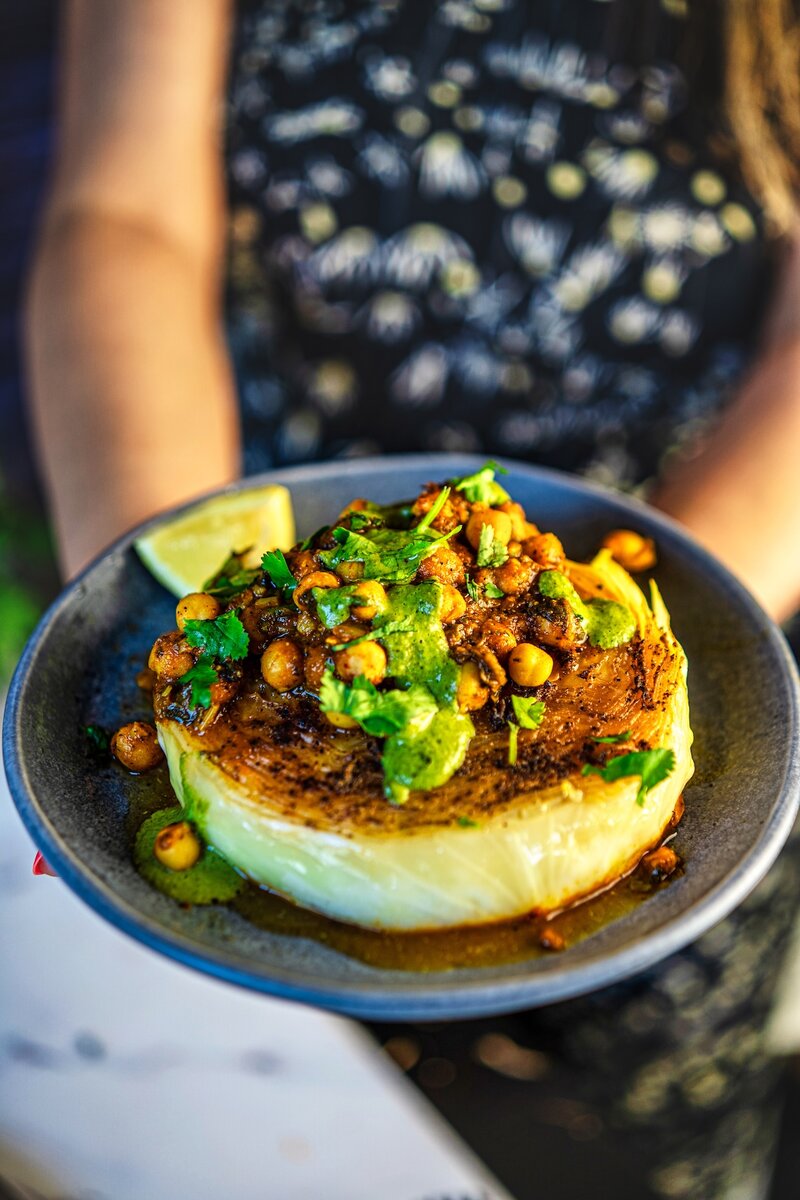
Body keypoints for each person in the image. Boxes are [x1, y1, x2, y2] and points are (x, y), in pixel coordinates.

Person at [23, 2, 800, 1196]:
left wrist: (651, 655)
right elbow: (122, 218)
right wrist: (167, 601)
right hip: (267, 552)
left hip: (681, 574)